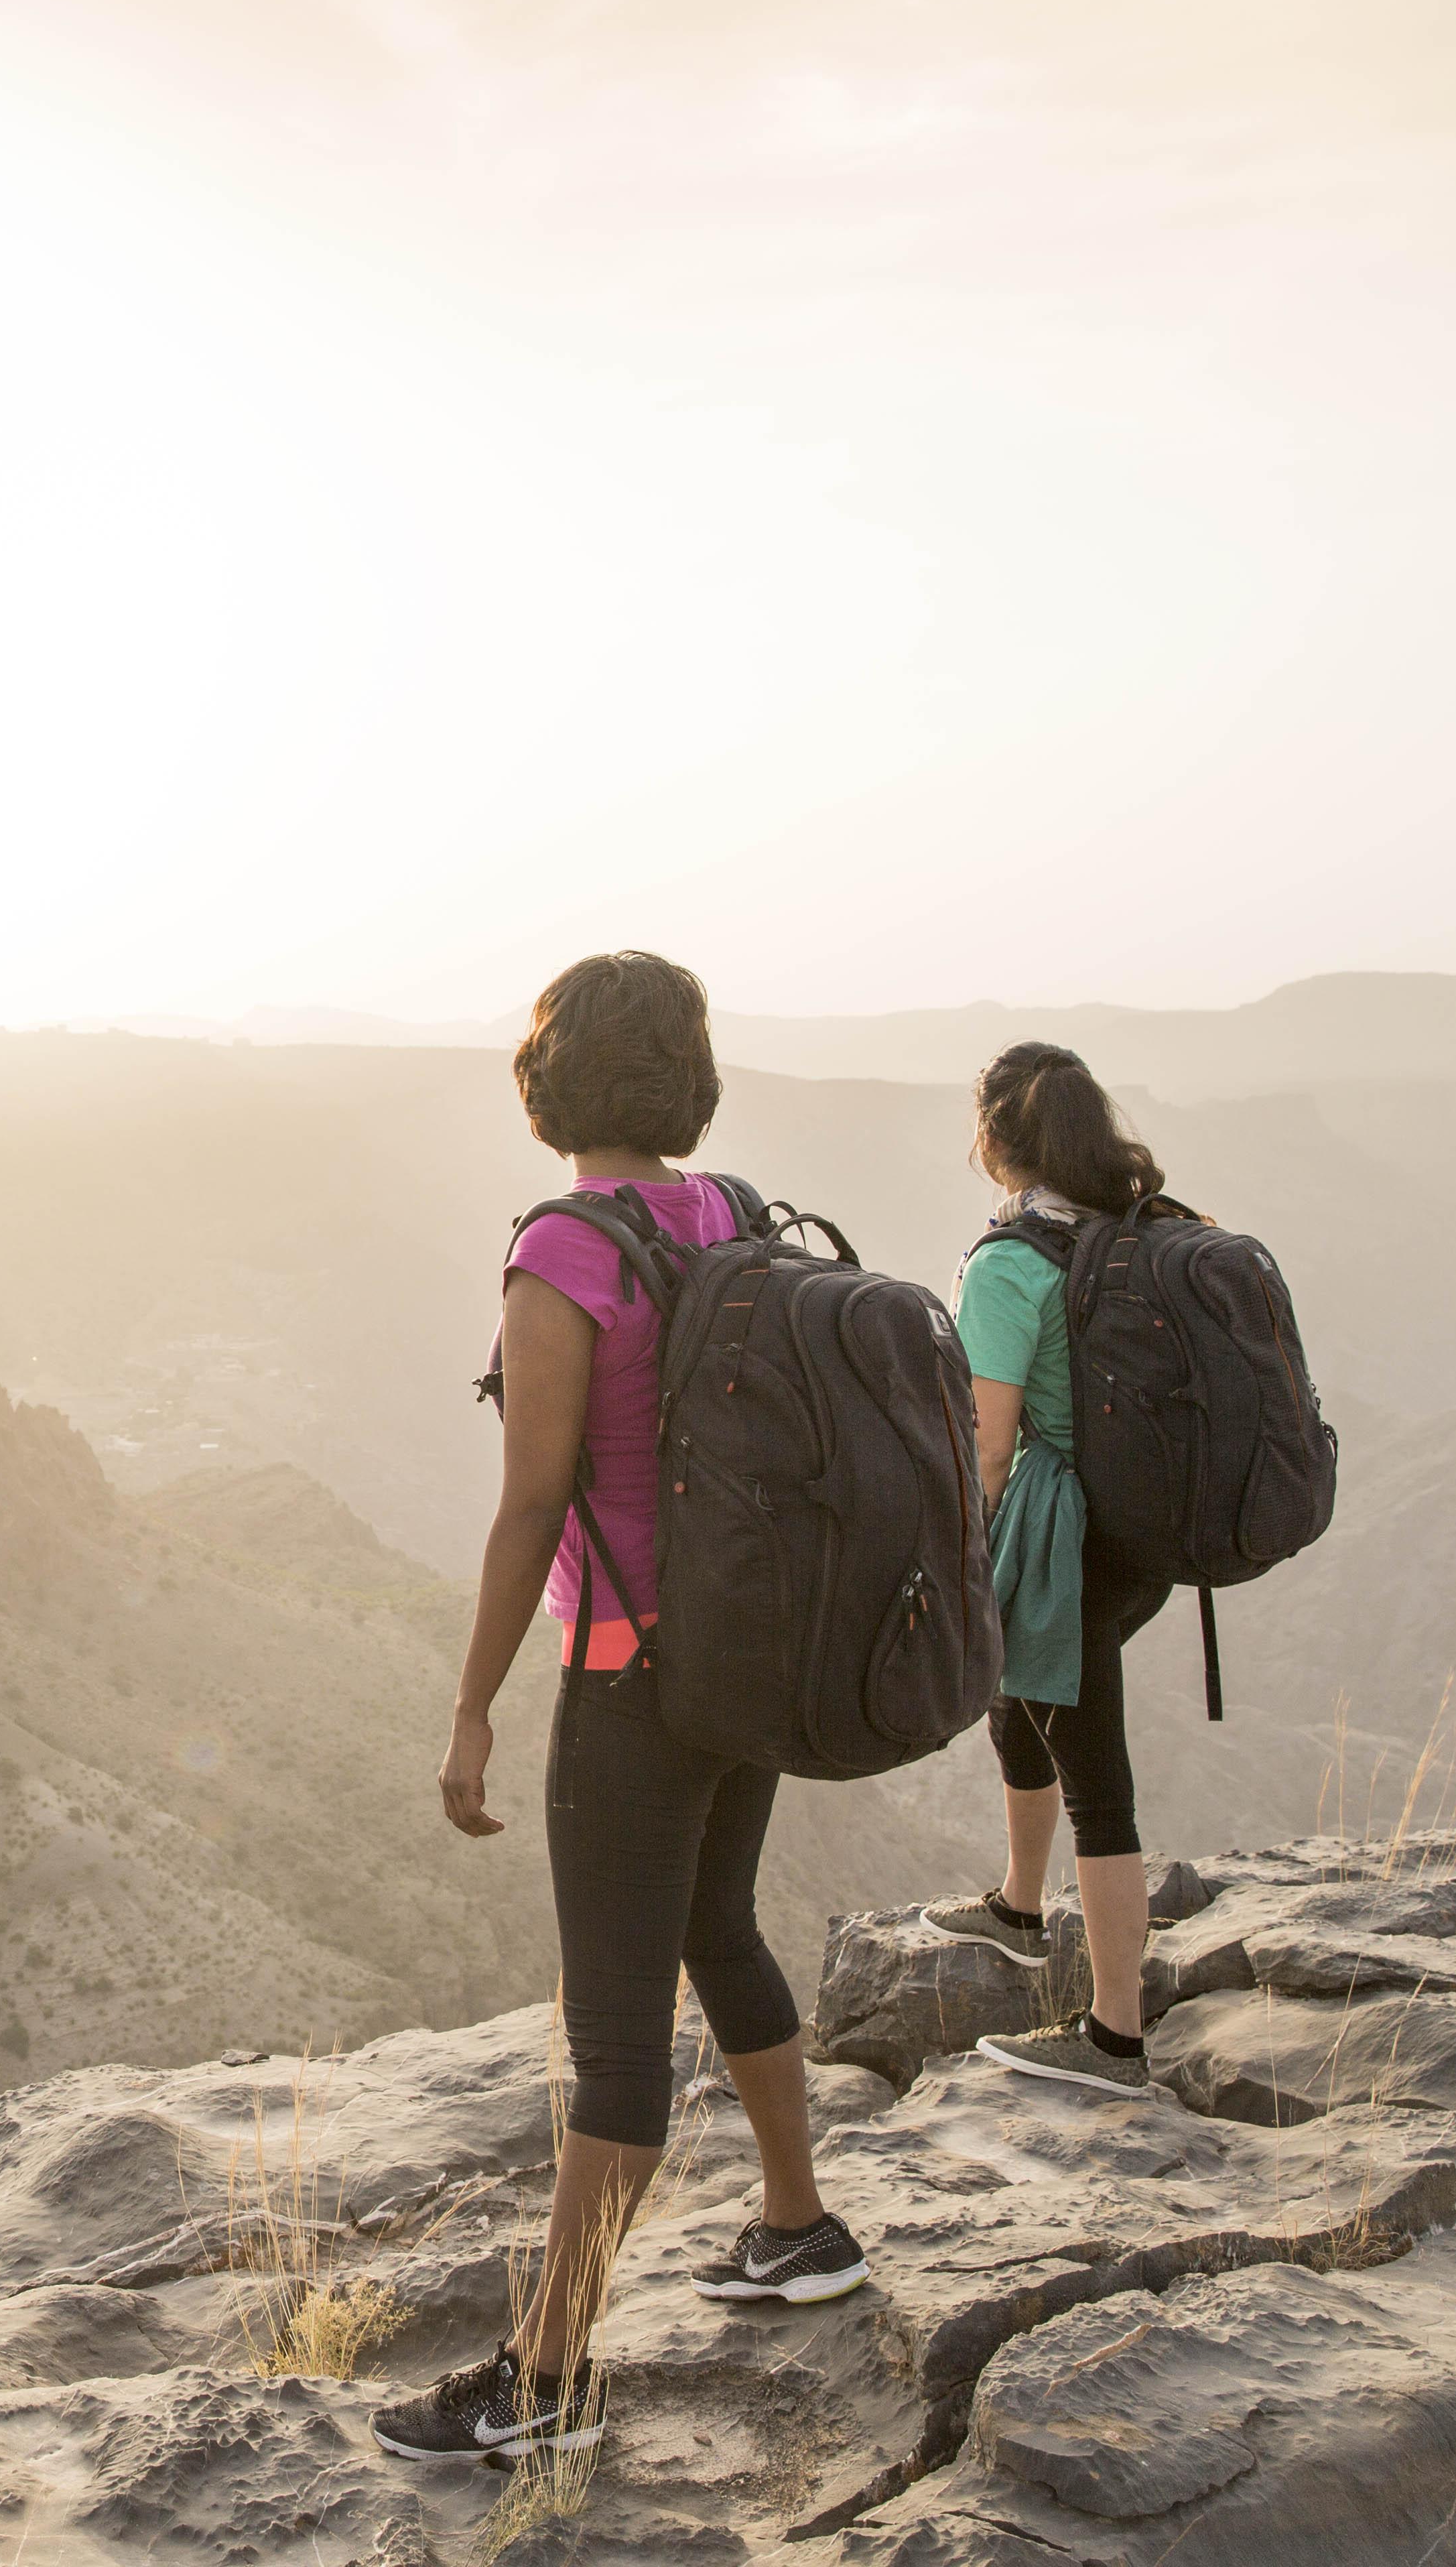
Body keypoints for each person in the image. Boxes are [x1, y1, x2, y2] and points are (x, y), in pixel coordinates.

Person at [374, 951, 868, 2468]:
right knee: (722, 1931)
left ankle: (550, 2374)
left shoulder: (564, 1253)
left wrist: (470, 1708)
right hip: (746, 1664)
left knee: (613, 2034)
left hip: (627, 1679)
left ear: (551, 1075)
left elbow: (532, 1507)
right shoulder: (733, 1216)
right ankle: (797, 2225)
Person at [920, 1042, 1178, 2096]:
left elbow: (987, 1445)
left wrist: (954, 1555)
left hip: (1066, 1534)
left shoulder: (1009, 1264)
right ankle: (1022, 1908)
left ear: (996, 1141)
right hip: (1142, 1530)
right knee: (1015, 1696)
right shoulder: (1138, 1228)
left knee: (1095, 1781)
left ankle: (1116, 2039)